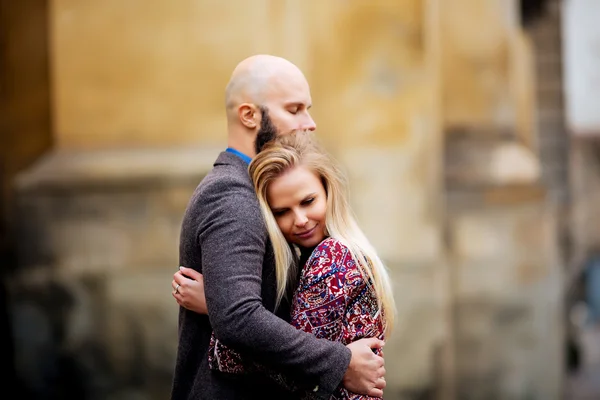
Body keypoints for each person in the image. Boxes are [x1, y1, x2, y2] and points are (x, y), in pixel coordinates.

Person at [171, 54, 386, 400]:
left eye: (308, 108)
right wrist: (341, 363)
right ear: (250, 115)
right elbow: (238, 316)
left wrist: (217, 302)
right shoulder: (232, 195)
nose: (310, 122)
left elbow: (245, 313)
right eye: (295, 108)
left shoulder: (262, 193)